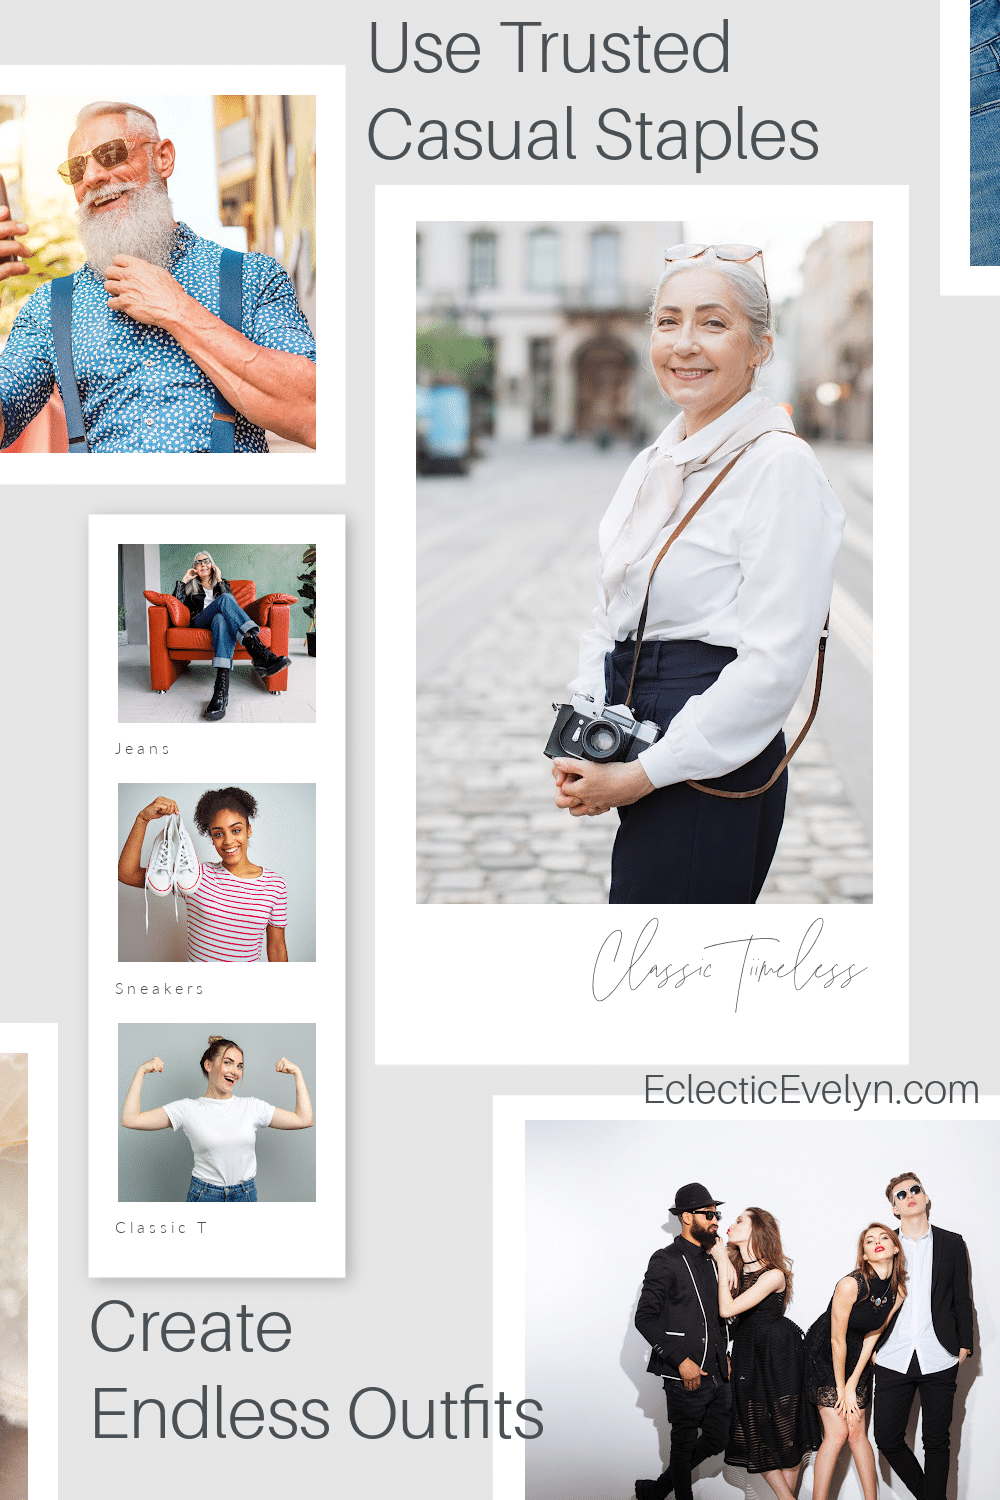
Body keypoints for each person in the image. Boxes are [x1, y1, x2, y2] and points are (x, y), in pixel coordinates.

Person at [551, 244, 845, 903]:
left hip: (711, 749)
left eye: (713, 323)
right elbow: (610, 609)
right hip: (641, 731)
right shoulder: (654, 462)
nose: (685, 343)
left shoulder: (778, 467)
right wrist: (588, 724)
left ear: (761, 346)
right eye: (668, 321)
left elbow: (772, 667)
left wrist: (642, 775)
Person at [0, 100, 316, 452]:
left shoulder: (252, 276)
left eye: (111, 154)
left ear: (163, 158)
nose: (91, 178)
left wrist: (178, 310)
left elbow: (316, 413)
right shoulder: (50, 308)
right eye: (77, 169)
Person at [872, 1172, 974, 1500]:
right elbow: (868, 1297)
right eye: (901, 1195)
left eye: (915, 1190)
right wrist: (872, 1344)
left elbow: (962, 1298)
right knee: (887, 1439)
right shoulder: (884, 1244)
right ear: (894, 1209)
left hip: (939, 1354)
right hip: (892, 1355)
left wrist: (965, 1345)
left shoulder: (951, 1243)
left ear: (926, 1198)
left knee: (936, 1442)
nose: (910, 1196)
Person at [708, 1206, 818, 1499]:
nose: (731, 1224)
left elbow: (727, 1309)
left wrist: (722, 1262)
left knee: (786, 1429)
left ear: (756, 1229)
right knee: (753, 1428)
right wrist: (724, 1261)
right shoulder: (731, 1265)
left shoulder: (773, 1275)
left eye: (739, 1220)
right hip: (747, 1354)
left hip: (780, 1354)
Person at [120, 1037, 313, 1202]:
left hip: (245, 1195)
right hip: (205, 1195)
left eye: (239, 1066)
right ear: (208, 1065)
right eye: (228, 1062)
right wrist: (141, 1072)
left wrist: (298, 1074)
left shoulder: (252, 1107)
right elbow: (130, 1119)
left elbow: (304, 1119)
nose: (235, 1071)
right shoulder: (187, 1109)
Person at [633, 1182, 731, 1500]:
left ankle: (656, 1491)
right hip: (684, 1374)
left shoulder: (713, 1259)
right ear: (687, 1217)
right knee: (683, 1445)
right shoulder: (666, 1259)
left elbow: (717, 1314)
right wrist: (680, 1361)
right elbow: (644, 1318)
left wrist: (724, 1354)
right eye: (708, 1214)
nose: (715, 1220)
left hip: (718, 1372)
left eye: (717, 1214)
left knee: (719, 1438)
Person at [118, 788, 289, 963]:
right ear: (212, 838)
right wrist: (142, 819)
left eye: (236, 830)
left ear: (248, 830)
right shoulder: (195, 877)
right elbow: (127, 874)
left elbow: (277, 948)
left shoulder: (275, 885)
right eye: (218, 834)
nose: (228, 841)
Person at [803, 1223, 907, 1500]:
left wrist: (852, 1384)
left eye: (884, 1237)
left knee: (857, 1432)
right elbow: (836, 1340)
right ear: (864, 1254)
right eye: (869, 1241)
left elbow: (873, 1335)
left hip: (858, 1354)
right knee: (837, 1432)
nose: (877, 1242)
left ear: (896, 1248)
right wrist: (841, 1388)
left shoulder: (898, 1292)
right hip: (826, 1354)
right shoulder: (850, 1285)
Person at [173, 551, 291, 721]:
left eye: (206, 561)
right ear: (194, 568)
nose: (203, 564)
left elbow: (232, 605)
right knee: (224, 599)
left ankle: (221, 691)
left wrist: (219, 579)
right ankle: (258, 652)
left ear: (212, 565)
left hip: (216, 622)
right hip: (200, 620)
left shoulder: (222, 583)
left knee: (220, 618)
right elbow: (176, 604)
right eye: (198, 562)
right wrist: (184, 580)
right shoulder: (190, 586)